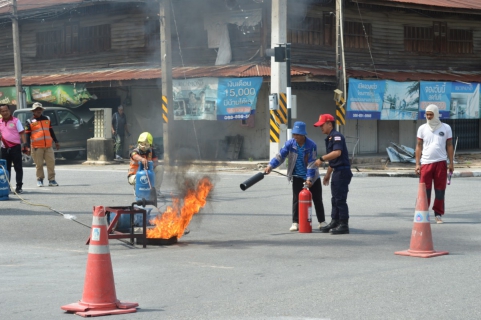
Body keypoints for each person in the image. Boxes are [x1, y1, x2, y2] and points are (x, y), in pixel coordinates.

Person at [264, 121, 326, 232]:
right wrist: (270, 166)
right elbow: (280, 156)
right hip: (297, 176)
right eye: (294, 134)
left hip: (313, 177)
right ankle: (295, 222)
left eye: (298, 134)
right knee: (296, 199)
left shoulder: (311, 145)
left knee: (317, 199)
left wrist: (309, 179)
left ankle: (322, 222)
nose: (295, 136)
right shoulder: (290, 144)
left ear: (303, 135)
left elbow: (312, 163)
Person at [314, 114, 353, 235]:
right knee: (334, 198)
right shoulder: (330, 138)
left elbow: (337, 153)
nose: (321, 128)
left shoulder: (337, 136)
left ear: (330, 124)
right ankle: (335, 221)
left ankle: (343, 224)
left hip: (342, 171)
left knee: (340, 199)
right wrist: (328, 174)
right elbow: (334, 161)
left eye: (322, 125)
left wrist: (321, 159)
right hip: (337, 171)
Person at [415, 104, 454, 224]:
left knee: (440, 190)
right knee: (424, 190)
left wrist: (451, 163)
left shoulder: (446, 128)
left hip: (441, 163)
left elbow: (449, 145)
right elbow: (419, 146)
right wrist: (417, 164)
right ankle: (423, 213)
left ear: (436, 114)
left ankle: (438, 214)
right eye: (427, 114)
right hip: (426, 163)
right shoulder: (422, 128)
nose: (429, 116)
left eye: (431, 114)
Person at [24, 102, 60, 187]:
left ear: (42, 110)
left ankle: (52, 180)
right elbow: (27, 135)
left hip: (48, 146)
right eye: (36, 109)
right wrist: (27, 147)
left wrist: (56, 141)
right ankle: (40, 179)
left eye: (40, 109)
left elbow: (51, 131)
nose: (38, 111)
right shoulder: (29, 121)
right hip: (36, 147)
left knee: (51, 163)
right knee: (39, 164)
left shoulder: (47, 119)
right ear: (33, 111)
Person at [128, 132, 164, 198]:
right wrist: (142, 159)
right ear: (139, 143)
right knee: (139, 178)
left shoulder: (151, 151)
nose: (144, 146)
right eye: (142, 144)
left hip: (148, 173)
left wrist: (150, 165)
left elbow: (156, 162)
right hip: (134, 176)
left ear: (150, 145)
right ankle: (137, 190)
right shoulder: (134, 151)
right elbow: (134, 155)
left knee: (160, 168)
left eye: (146, 144)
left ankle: (156, 190)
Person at [0, 104, 27, 193]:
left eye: (6, 110)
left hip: (15, 147)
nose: (5, 112)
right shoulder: (0, 122)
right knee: (5, 169)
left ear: (9, 110)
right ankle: (6, 186)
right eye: (2, 111)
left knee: (18, 167)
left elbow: (22, 133)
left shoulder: (16, 121)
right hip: (4, 149)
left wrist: (25, 145)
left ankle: (19, 186)